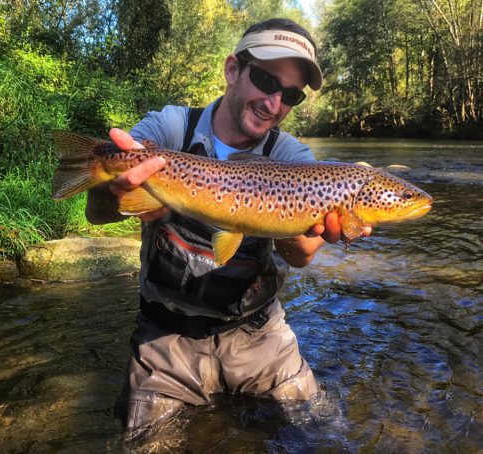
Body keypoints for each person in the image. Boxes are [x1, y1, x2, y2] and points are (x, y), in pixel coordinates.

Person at [86, 18, 371, 441]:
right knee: (146, 445)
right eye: (265, 80)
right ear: (233, 69)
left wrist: (293, 220)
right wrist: (115, 188)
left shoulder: (294, 158)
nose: (274, 103)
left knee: (327, 435)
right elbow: (98, 213)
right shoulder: (172, 128)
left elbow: (302, 254)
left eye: (290, 95)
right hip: (167, 335)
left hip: (260, 336)